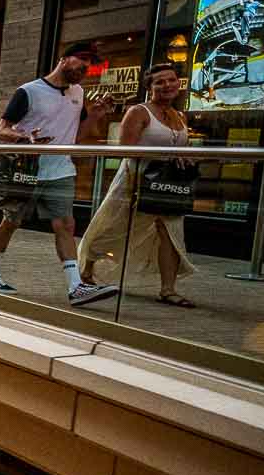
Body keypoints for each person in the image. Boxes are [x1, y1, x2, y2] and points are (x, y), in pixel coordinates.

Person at [0, 44, 117, 306]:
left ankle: (76, 286)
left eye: (89, 64)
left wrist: (96, 115)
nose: (85, 67)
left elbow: (75, 136)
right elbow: (1, 130)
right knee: (12, 221)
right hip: (25, 169)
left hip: (61, 170)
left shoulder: (78, 93)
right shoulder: (29, 91)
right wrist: (25, 137)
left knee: (65, 224)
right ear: (64, 59)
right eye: (82, 60)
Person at [78, 64, 198, 306]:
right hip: (135, 180)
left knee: (171, 233)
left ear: (179, 83)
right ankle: (86, 269)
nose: (167, 85)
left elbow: (181, 147)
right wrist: (165, 156)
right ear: (150, 87)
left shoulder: (180, 116)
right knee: (112, 226)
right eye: (159, 82)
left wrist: (185, 156)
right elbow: (126, 149)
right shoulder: (139, 111)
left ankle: (168, 290)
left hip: (168, 184)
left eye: (171, 80)